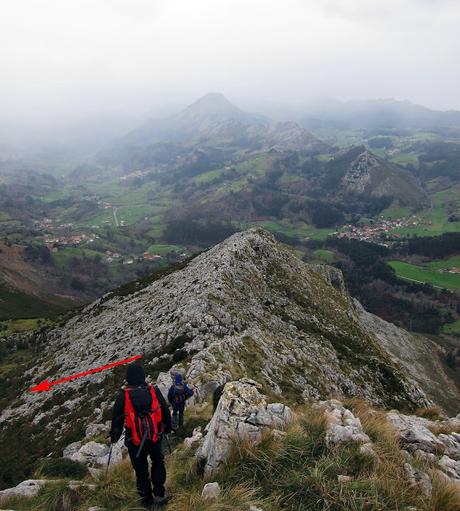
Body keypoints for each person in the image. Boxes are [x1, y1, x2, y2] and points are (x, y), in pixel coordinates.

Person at [110, 363, 172, 509]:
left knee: (141, 470)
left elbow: (117, 420)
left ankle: (146, 500)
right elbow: (164, 410)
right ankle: (159, 493)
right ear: (143, 376)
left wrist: (114, 437)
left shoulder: (123, 396)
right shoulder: (153, 391)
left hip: (134, 440)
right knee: (157, 461)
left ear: (128, 378)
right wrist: (167, 428)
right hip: (155, 436)